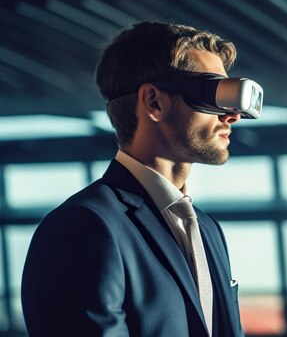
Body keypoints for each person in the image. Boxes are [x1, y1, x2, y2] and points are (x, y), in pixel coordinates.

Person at [21, 21, 247, 336]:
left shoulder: (207, 229)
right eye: (214, 93)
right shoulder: (82, 227)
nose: (231, 114)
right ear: (154, 102)